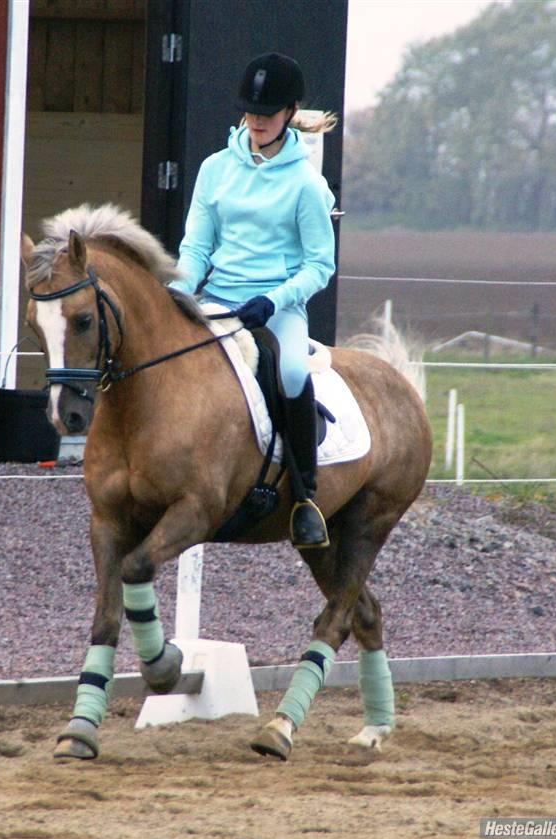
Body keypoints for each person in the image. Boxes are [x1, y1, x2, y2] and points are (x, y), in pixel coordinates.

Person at [170, 52, 337, 550]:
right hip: (218, 296)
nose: (257, 122)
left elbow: (319, 267)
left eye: (267, 114)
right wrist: (179, 291)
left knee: (289, 372)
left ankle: (305, 497)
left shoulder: (306, 184)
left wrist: (273, 300)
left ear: (289, 113)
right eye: (251, 112)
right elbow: (197, 247)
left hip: (277, 305)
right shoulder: (215, 169)